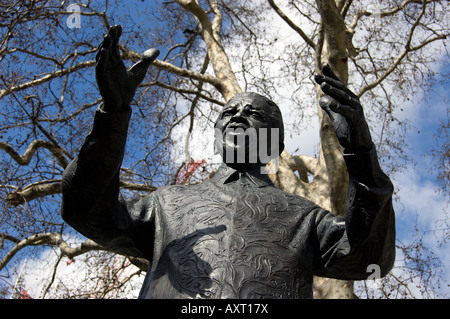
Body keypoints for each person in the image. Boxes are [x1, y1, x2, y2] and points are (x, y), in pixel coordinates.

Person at [61, 25, 395, 299]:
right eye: (229, 113)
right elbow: (85, 211)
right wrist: (113, 115)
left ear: (274, 144)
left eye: (253, 114)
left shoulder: (303, 216)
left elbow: (369, 257)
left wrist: (360, 151)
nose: (237, 117)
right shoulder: (166, 203)